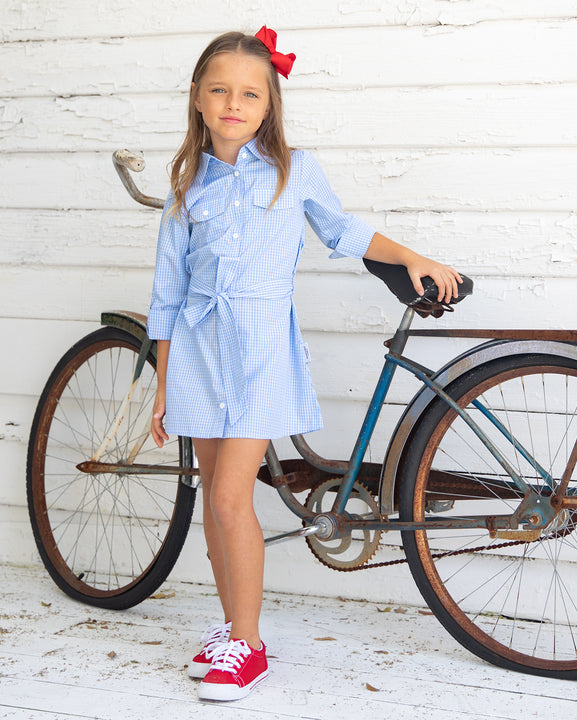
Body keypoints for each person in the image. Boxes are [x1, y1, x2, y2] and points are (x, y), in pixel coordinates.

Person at [147, 26, 461, 702]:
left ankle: (251, 647)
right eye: (220, 90)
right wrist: (162, 384)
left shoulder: (293, 169)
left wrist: (410, 257)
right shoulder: (186, 184)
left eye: (249, 93)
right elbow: (168, 295)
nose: (234, 102)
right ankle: (233, 625)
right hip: (200, 353)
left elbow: (344, 232)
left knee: (233, 497)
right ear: (199, 100)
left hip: (260, 351)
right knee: (215, 500)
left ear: (269, 106)